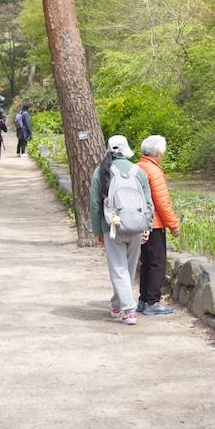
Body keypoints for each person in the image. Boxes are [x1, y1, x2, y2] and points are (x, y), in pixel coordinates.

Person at [88, 135, 153, 325]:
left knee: (118, 269)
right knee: (129, 269)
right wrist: (147, 226)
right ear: (126, 149)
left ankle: (128, 310)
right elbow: (148, 202)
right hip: (136, 227)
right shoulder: (138, 171)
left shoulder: (101, 171)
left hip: (113, 226)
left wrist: (98, 229)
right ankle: (117, 304)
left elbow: (94, 204)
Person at [137, 134, 180, 315]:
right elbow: (162, 202)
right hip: (153, 225)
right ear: (158, 152)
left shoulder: (137, 167)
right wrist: (174, 225)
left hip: (139, 223)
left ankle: (143, 300)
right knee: (157, 263)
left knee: (145, 262)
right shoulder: (154, 171)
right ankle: (153, 302)